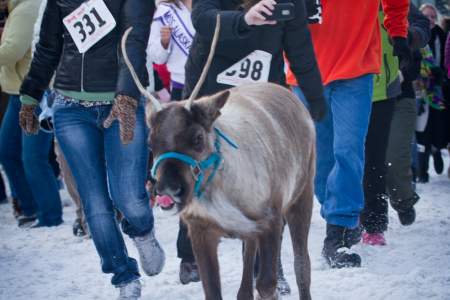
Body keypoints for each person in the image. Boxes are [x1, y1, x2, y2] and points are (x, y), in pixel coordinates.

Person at [19, 0, 164, 298]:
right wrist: (31, 95)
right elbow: (47, 46)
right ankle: (123, 276)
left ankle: (142, 229)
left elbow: (133, 44)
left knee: (129, 198)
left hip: (121, 104)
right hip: (70, 109)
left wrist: (125, 97)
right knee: (95, 204)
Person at [181, 0, 326, 292]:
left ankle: (268, 268)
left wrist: (315, 98)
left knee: (265, 188)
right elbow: (202, 18)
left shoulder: (289, 4)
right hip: (211, 94)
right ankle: (191, 253)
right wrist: (244, 19)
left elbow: (300, 51)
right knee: (201, 179)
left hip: (261, 102)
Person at [288, 0, 409, 267]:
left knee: (349, 150)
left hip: (358, 67)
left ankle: (338, 233)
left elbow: (397, 2)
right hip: (306, 68)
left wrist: (398, 31)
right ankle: (338, 213)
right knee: (318, 160)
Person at [361, 3, 430, 246]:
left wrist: (408, 36)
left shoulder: (393, 4)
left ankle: (399, 203)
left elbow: (422, 25)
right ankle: (356, 217)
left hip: (398, 95)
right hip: (355, 90)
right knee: (357, 158)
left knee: (390, 157)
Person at [0, 0, 63, 228]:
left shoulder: (27, 8)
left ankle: (50, 215)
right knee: (7, 151)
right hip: (17, 93)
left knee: (33, 157)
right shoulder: (16, 9)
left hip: (34, 92)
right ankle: (29, 206)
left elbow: (12, 50)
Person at [416, 3, 448, 182]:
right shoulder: (417, 35)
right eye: (427, 16)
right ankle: (422, 169)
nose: (430, 20)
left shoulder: (440, 35)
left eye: (433, 17)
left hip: (438, 88)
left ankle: (436, 150)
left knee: (437, 125)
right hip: (419, 88)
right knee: (421, 128)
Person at [148, 0, 194, 101]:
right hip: (181, 85)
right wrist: (164, 42)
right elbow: (157, 58)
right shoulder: (164, 11)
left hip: (213, 82)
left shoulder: (211, 5)